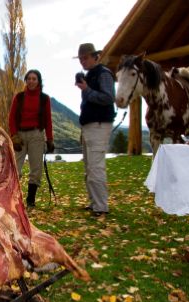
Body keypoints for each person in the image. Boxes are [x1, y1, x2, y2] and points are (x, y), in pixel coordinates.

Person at [74, 43, 116, 217]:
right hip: (89, 126)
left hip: (99, 125)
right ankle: (94, 203)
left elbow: (108, 98)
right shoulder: (91, 75)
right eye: (81, 59)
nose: (83, 61)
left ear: (95, 57)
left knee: (96, 167)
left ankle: (100, 206)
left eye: (85, 58)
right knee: (89, 167)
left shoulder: (103, 74)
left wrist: (87, 90)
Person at [8, 69, 54, 208]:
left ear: (39, 81)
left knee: (36, 169)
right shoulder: (19, 97)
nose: (31, 81)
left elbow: (48, 120)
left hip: (36, 135)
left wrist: (50, 139)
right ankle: (12, 198)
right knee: (16, 168)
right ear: (26, 81)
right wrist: (14, 135)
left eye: (34, 79)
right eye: (29, 78)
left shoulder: (44, 98)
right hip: (20, 135)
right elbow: (12, 118)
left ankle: (30, 201)